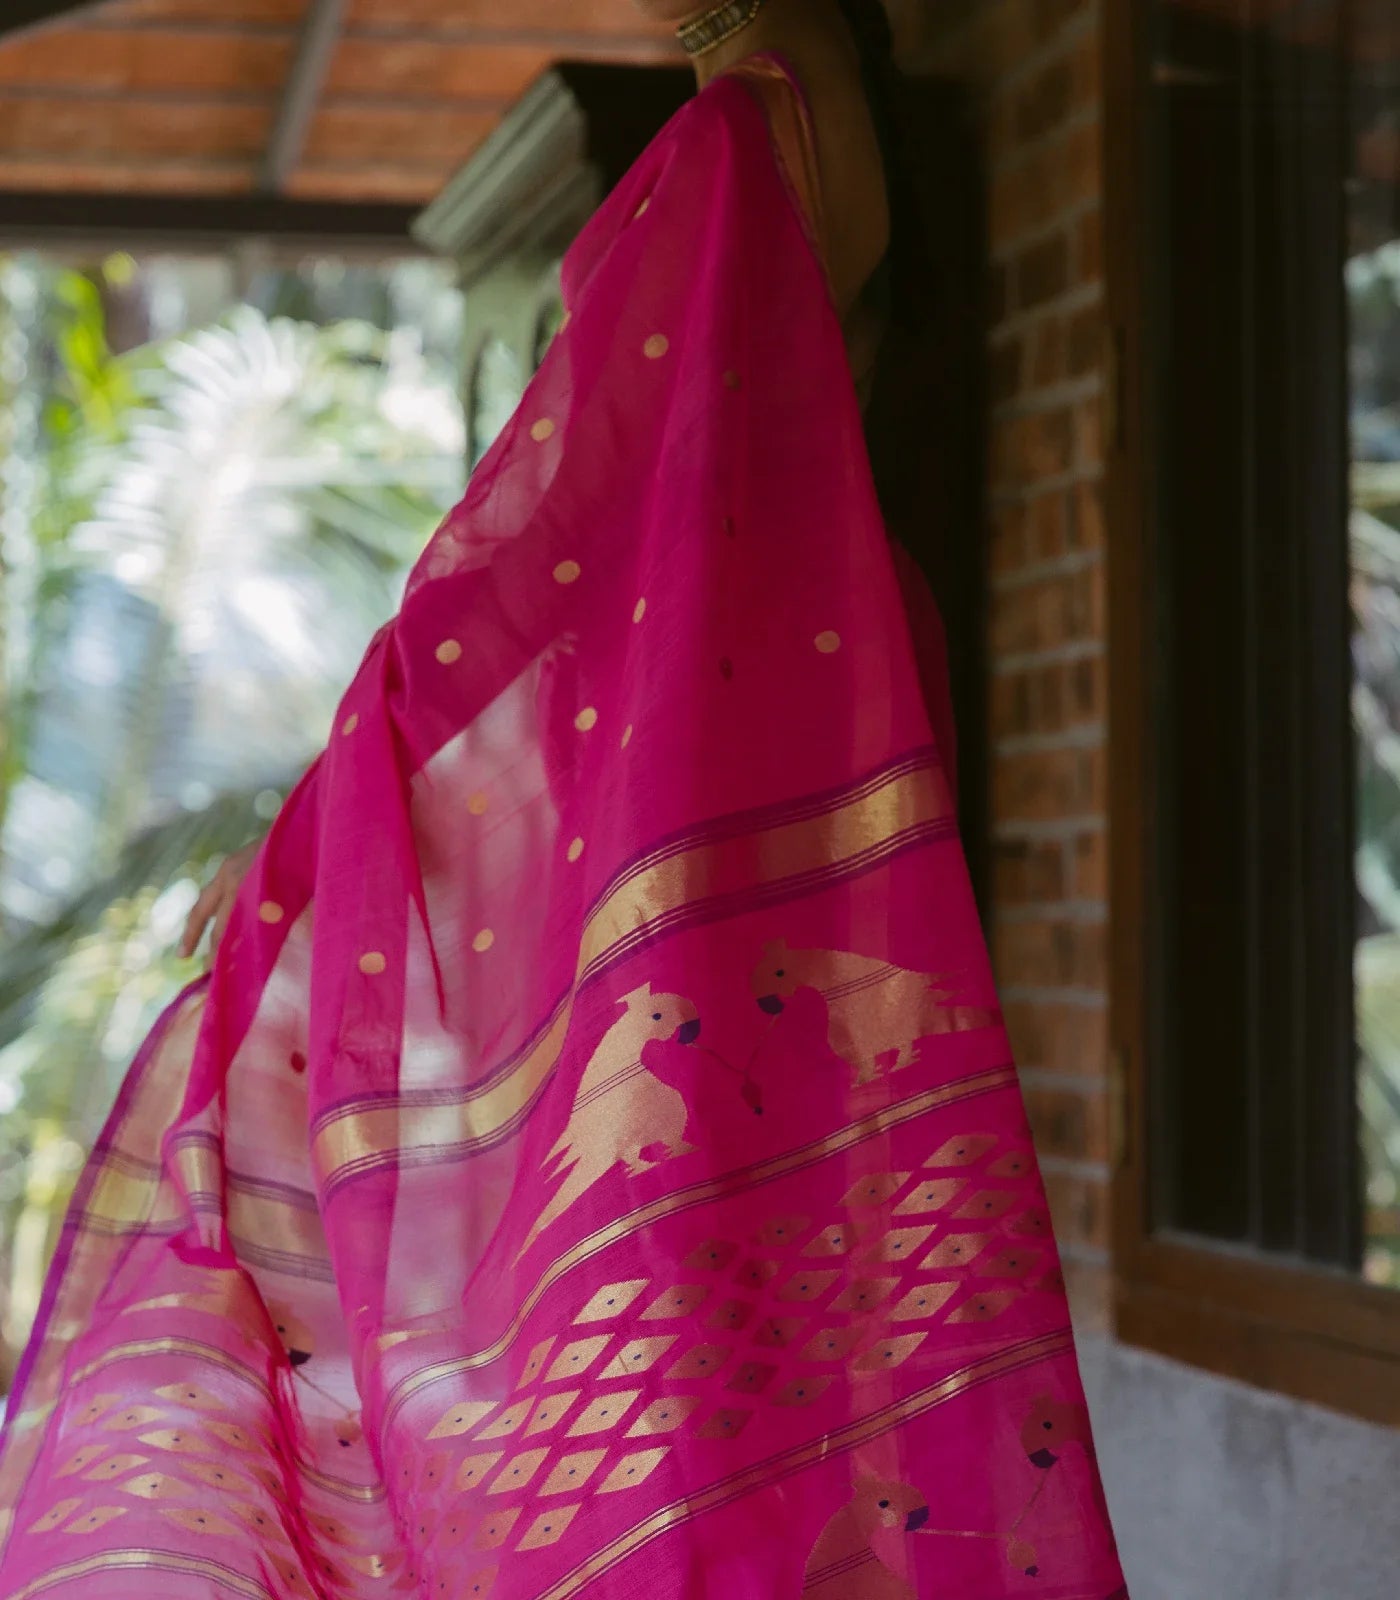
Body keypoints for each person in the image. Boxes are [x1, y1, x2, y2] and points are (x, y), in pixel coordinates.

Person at [0, 2, 1128, 1595]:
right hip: (717, 1043)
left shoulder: (730, 225)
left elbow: (530, 559)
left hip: (741, 1038)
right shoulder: (730, 550)